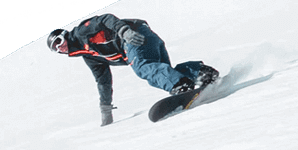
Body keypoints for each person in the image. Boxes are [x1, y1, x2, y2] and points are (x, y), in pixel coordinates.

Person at [46, 15, 219, 125]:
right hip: (145, 38)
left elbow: (105, 19)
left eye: (58, 41)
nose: (60, 47)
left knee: (142, 67)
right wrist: (105, 108)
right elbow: (103, 81)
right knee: (159, 74)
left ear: (65, 35)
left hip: (133, 35)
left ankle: (181, 86)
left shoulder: (80, 32)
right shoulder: (90, 57)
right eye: (55, 48)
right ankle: (201, 72)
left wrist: (124, 31)